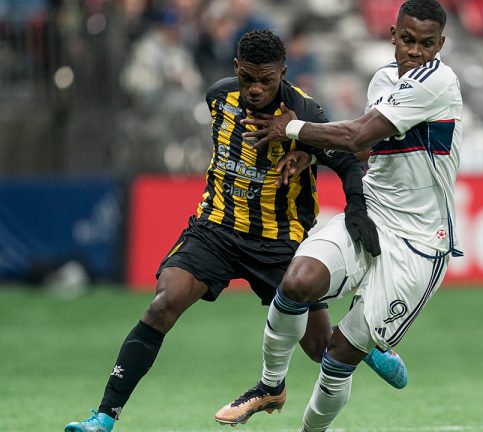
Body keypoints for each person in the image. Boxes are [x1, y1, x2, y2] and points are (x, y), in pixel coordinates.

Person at [64, 29, 406, 432]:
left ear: (283, 72)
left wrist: (355, 209)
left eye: (267, 80)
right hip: (216, 230)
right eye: (248, 78)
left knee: (319, 349)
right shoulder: (217, 97)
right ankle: (103, 418)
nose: (256, 89)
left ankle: (363, 345)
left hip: (280, 242)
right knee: (162, 305)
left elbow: (348, 160)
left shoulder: (304, 113)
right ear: (235, 70)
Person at [213, 1, 463, 430]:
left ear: (440, 45)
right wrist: (311, 156)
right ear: (392, 34)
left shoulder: (437, 81)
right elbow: (367, 146)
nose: (414, 51)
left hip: (420, 243)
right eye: (407, 40)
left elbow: (358, 133)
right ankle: (270, 386)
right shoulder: (384, 78)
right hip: (374, 212)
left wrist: (292, 129)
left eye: (426, 44)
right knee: (297, 282)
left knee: (339, 355)